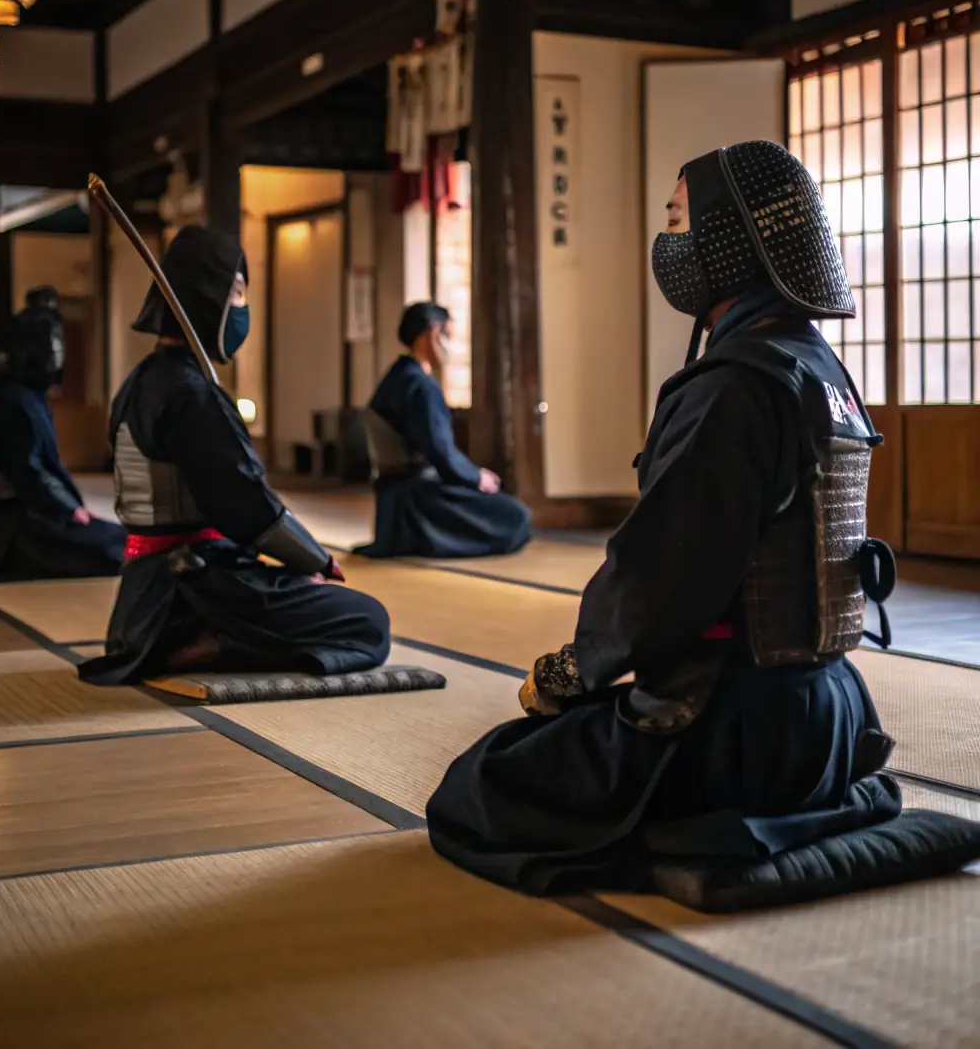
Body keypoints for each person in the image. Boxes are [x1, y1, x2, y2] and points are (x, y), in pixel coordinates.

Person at [426, 140, 901, 896]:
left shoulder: (734, 388)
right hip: (837, 717)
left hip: (732, 721)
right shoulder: (819, 368)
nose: (666, 241)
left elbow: (659, 583)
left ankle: (718, 830)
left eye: (678, 220)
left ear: (728, 238)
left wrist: (576, 670)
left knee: (478, 786)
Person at [78, 224, 390, 686]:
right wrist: (315, 560)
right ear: (208, 297)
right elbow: (246, 505)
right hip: (198, 584)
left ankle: (201, 636)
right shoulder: (192, 394)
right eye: (238, 294)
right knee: (368, 620)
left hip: (145, 589)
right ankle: (214, 642)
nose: (242, 309)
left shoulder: (138, 383)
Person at [0, 305, 125, 583]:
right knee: (113, 551)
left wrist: (71, 507)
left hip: (33, 514)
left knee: (121, 539)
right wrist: (68, 509)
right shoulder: (8, 404)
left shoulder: (21, 397)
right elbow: (30, 474)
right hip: (16, 523)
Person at [357, 301, 531, 560]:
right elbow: (440, 452)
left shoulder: (397, 376)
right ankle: (424, 539)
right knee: (517, 517)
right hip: (419, 496)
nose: (449, 344)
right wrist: (476, 477)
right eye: (447, 335)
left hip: (393, 499)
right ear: (432, 334)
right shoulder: (420, 386)